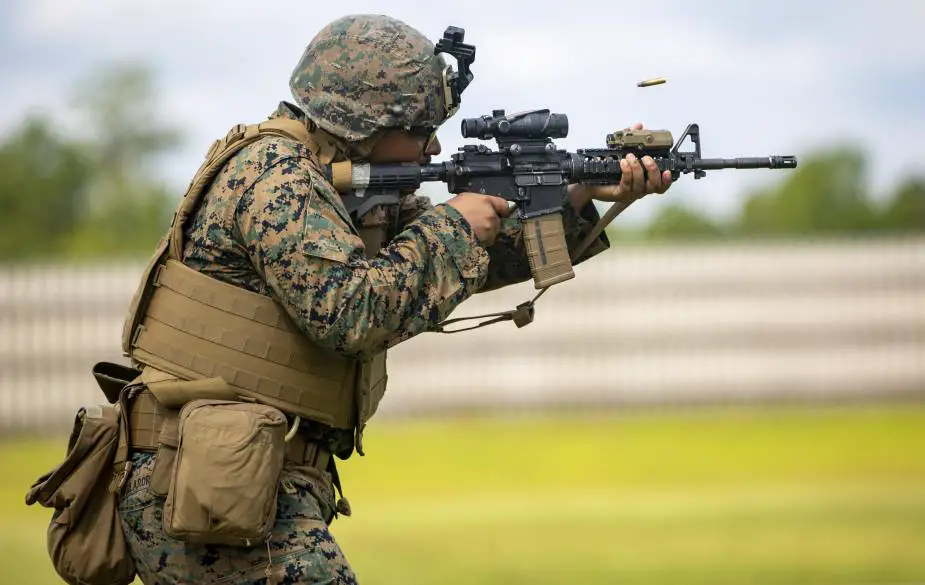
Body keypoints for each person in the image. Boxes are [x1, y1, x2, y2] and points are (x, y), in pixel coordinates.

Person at [114, 13, 672, 585]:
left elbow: (442, 269)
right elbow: (351, 313)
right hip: (201, 476)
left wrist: (574, 193)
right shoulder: (277, 178)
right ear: (365, 122)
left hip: (236, 472)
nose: (433, 145)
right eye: (420, 127)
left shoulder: (340, 182)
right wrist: (454, 226)